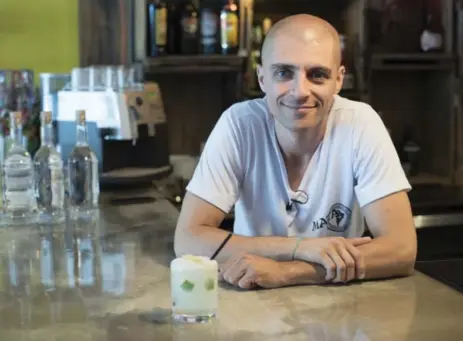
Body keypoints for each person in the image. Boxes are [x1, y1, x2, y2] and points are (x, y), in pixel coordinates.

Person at [174, 14, 417, 289]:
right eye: (283, 73)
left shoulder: (361, 123)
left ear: (338, 80)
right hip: (250, 301)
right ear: (262, 78)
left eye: (317, 75)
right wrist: (300, 247)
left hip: (343, 308)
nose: (300, 91)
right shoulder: (238, 125)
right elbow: (188, 240)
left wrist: (288, 272)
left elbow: (401, 250)